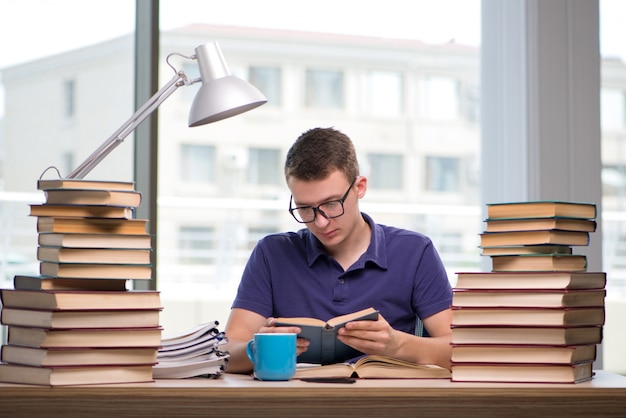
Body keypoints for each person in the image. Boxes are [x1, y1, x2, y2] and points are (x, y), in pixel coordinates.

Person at [222, 127, 453, 373]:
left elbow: (459, 352)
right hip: (295, 406)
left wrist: (397, 345)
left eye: (332, 204)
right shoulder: (271, 253)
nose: (320, 222)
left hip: (387, 406)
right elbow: (225, 352)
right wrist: (256, 348)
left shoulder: (415, 252)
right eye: (305, 208)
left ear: (360, 187)